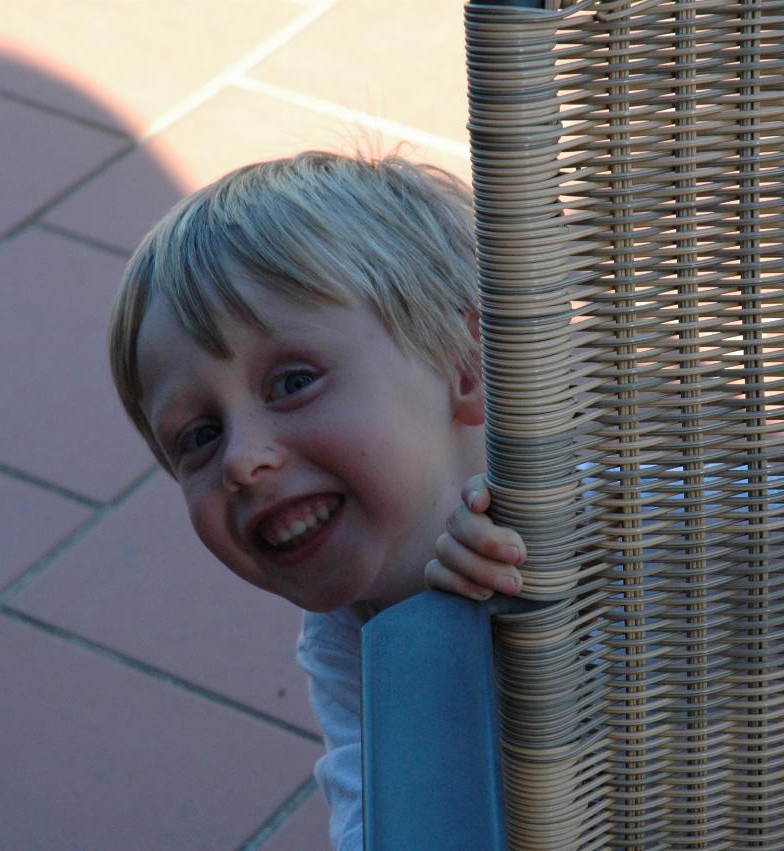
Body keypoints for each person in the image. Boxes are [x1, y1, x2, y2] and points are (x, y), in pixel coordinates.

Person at [107, 150, 524, 850]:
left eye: (293, 382)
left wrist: (553, 572)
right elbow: (377, 815)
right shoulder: (341, 628)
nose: (241, 460)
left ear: (464, 362)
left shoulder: (620, 508)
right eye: (199, 435)